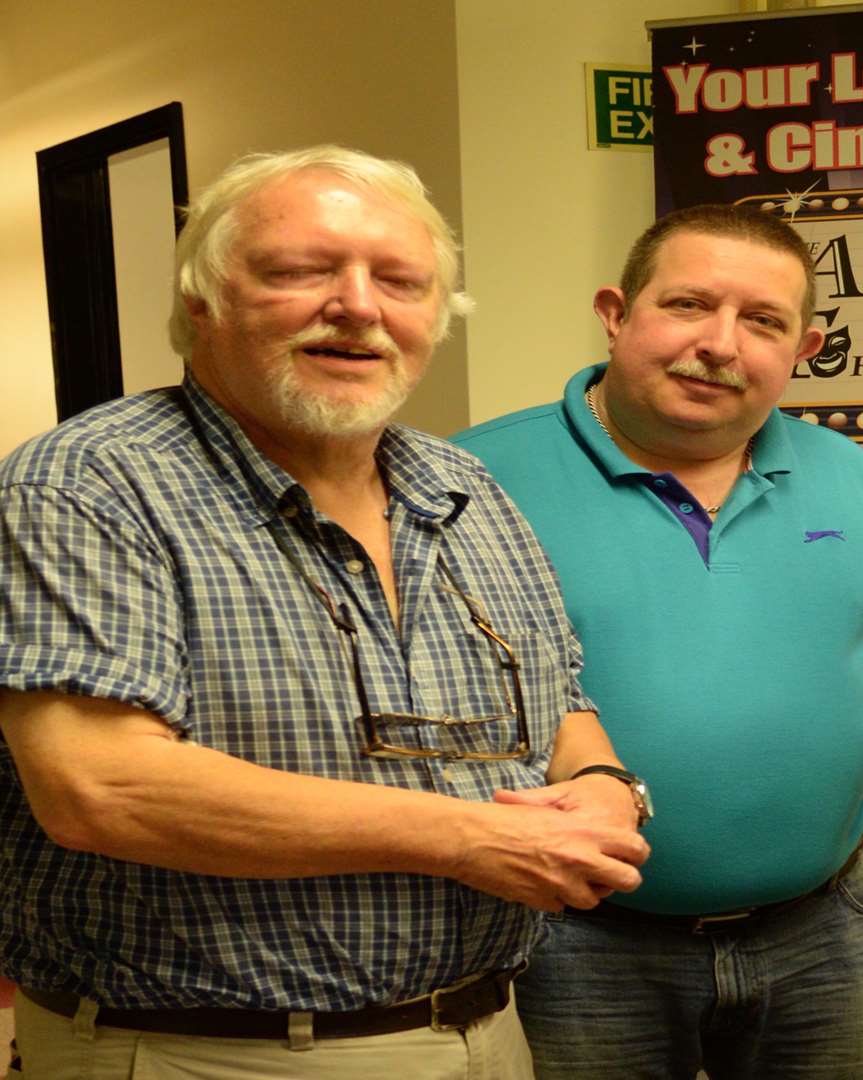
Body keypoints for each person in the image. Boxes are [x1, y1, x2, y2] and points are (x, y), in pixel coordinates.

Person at [0, 146, 651, 1080]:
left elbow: (555, 700)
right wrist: (472, 839)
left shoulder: (463, 486)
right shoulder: (87, 486)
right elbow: (100, 787)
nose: (357, 306)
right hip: (211, 1053)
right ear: (201, 302)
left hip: (486, 1034)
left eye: (400, 281)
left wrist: (600, 782)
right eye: (301, 271)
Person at [453, 203, 863, 1079]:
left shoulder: (846, 474)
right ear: (617, 314)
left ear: (801, 351)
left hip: (828, 934)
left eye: (762, 321)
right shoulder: (473, 480)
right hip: (575, 942)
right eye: (689, 305)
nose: (722, 344)